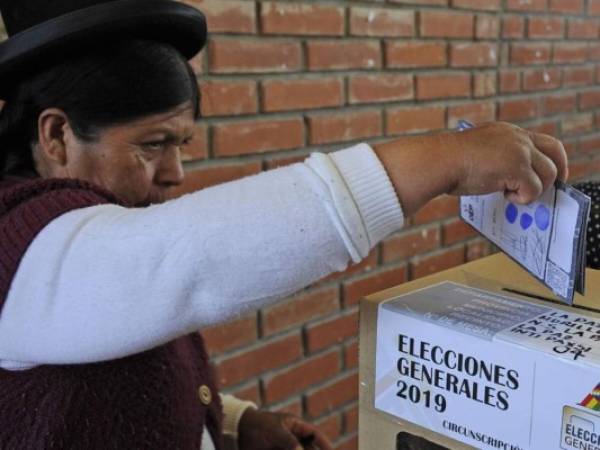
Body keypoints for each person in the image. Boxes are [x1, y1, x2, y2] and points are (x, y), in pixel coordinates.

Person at [0, 1, 568, 449]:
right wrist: (446, 159)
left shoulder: (88, 247)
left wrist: (232, 423)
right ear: (55, 136)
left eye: (181, 144)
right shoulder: (20, 250)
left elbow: (111, 374)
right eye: (152, 146)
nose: (174, 173)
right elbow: (179, 264)